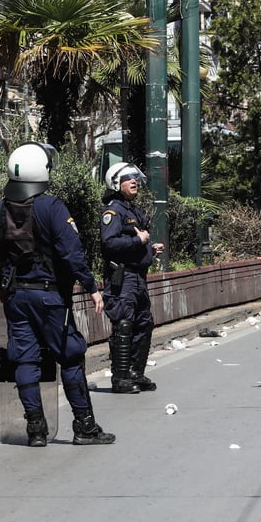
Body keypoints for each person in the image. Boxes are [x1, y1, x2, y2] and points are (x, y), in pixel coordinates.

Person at [0, 142, 115, 446]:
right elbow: (72, 253)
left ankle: (35, 430)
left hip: (16, 298)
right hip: (51, 298)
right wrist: (91, 286)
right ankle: (84, 427)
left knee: (25, 360)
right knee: (70, 356)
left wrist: (0, 288)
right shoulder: (52, 207)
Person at [100, 162, 162, 394]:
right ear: (116, 183)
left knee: (144, 323)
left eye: (135, 177)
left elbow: (133, 243)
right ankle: (121, 377)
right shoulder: (113, 211)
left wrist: (148, 249)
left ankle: (136, 372)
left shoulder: (133, 210)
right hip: (122, 277)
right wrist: (138, 241)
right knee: (124, 324)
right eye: (127, 178)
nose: (133, 181)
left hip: (138, 277)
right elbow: (109, 244)